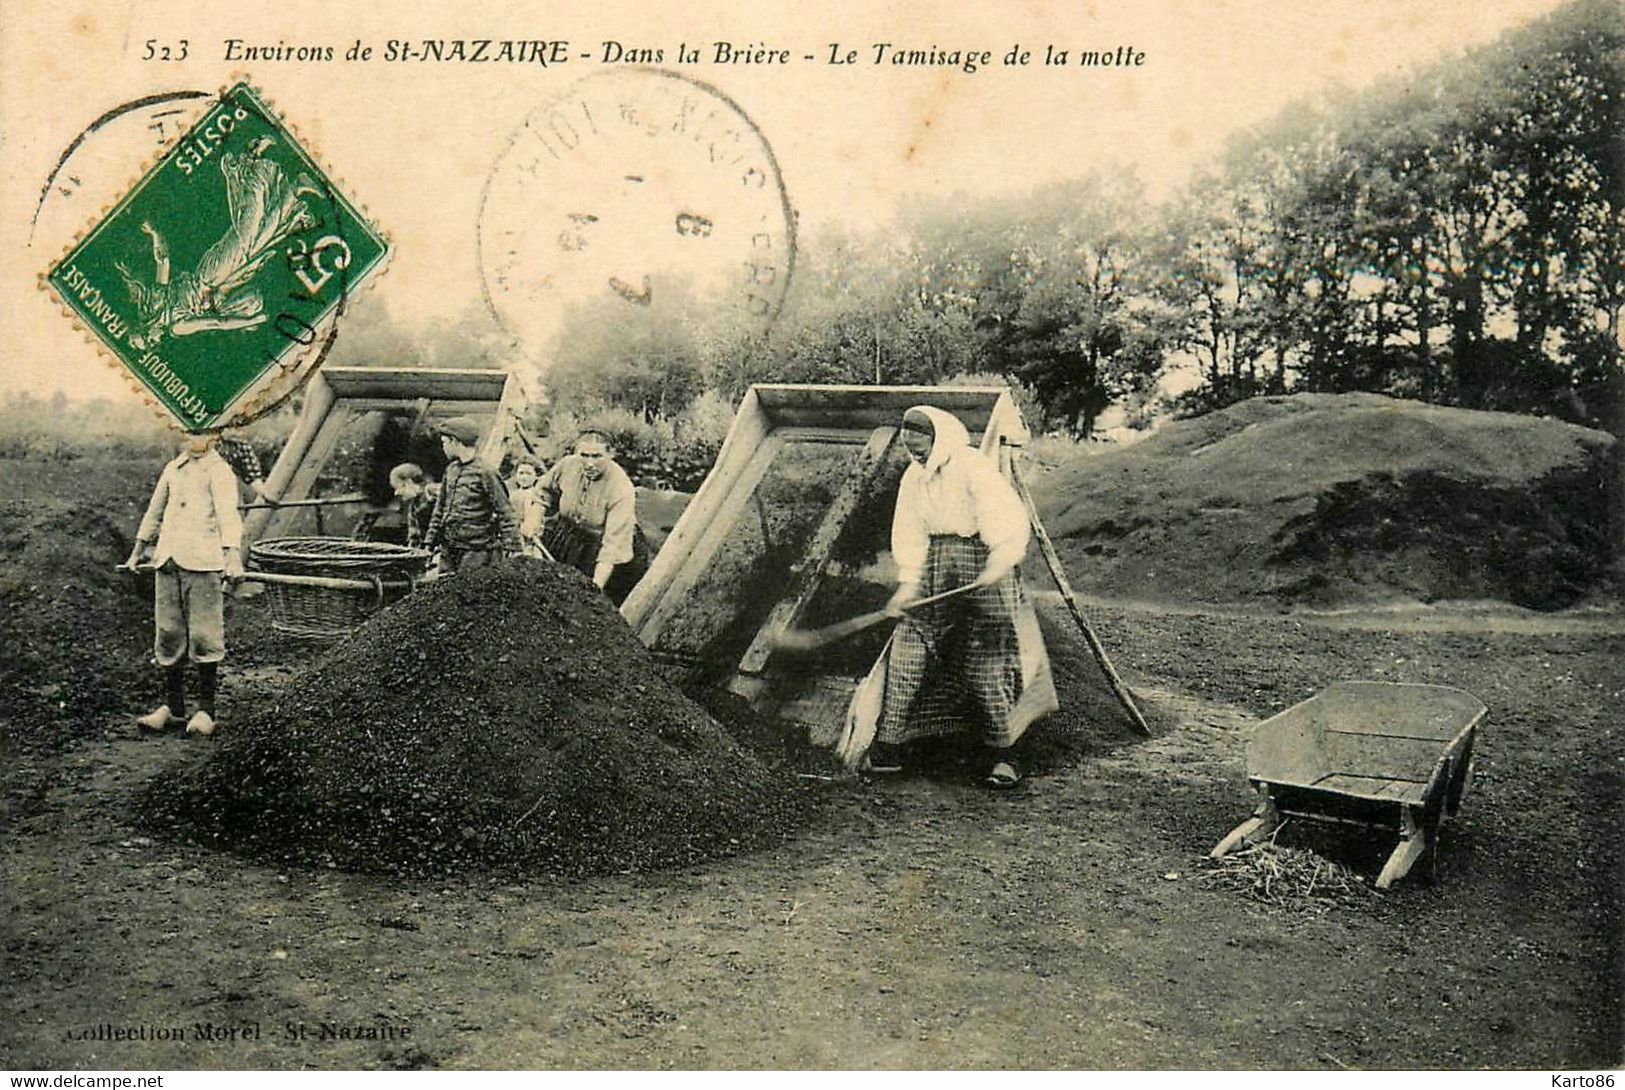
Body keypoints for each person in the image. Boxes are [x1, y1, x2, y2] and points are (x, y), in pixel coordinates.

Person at [858, 405, 1054, 787]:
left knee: (988, 659)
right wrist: (908, 583)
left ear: (941, 440)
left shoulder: (972, 466)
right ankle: (889, 748)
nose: (917, 456)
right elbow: (910, 530)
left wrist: (997, 564)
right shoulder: (914, 478)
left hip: (983, 557)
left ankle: (1005, 755)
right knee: (909, 645)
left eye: (922, 448)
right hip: (936, 561)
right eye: (911, 450)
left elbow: (1006, 520)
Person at [121, 430, 245, 738]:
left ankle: (206, 710)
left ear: (215, 437)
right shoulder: (173, 469)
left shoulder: (219, 472)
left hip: (202, 562)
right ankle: (174, 709)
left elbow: (229, 516)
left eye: (200, 434)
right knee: (168, 633)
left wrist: (232, 556)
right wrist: (137, 552)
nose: (192, 441)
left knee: (204, 634)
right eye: (188, 434)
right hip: (168, 561)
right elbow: (154, 511)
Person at [538, 430, 648, 604]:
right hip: (569, 535)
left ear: (610, 454)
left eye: (597, 456)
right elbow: (543, 491)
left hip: (603, 548)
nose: (589, 463)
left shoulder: (620, 487)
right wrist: (533, 519)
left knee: (589, 603)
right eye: (584, 455)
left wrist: (595, 587)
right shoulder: (567, 465)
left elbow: (611, 548)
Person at [422, 417, 521, 574]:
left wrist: (513, 548)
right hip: (450, 551)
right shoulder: (451, 470)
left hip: (478, 553)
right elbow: (439, 510)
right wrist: (429, 542)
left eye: (444, 442)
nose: (443, 447)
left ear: (455, 441)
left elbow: (505, 512)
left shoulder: (486, 472)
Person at [353, 463, 436, 548]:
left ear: (409, 482)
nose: (397, 493)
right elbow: (414, 535)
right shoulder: (414, 504)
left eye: (400, 487)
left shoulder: (433, 495)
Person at [507, 455, 548, 558]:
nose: (524, 477)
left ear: (537, 476)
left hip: (529, 542)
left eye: (529, 474)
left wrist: (530, 527)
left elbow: (536, 519)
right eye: (521, 473)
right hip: (512, 540)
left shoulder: (536, 495)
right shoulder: (512, 494)